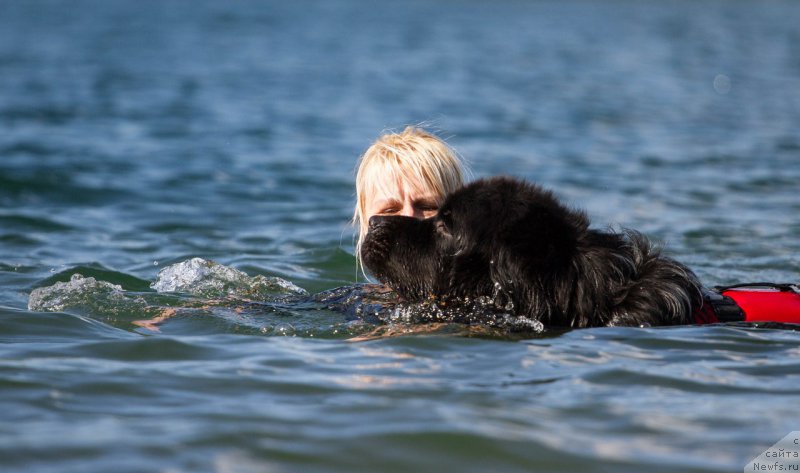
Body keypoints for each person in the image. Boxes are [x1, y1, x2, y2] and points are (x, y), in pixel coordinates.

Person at [352, 126, 469, 277]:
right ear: (365, 226)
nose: (408, 216)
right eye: (390, 210)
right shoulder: (344, 299)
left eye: (428, 206)